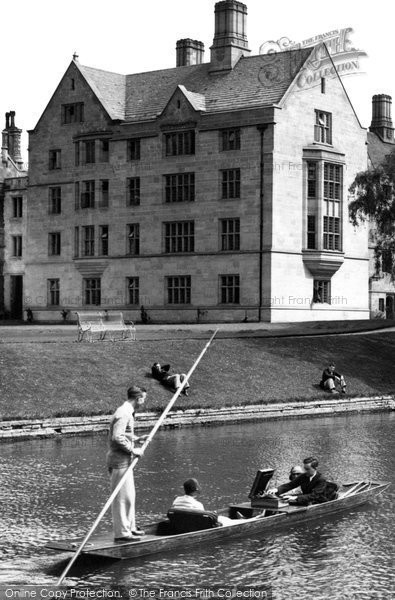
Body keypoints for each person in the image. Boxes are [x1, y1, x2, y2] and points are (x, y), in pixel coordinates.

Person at [106, 385, 148, 541]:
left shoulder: (127, 411)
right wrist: (133, 449)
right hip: (118, 462)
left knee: (129, 497)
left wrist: (137, 439)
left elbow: (124, 433)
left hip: (125, 462)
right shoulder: (124, 413)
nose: (144, 401)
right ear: (138, 398)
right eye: (144, 398)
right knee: (122, 499)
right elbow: (117, 437)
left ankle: (130, 527)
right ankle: (123, 534)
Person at [171, 478, 241, 526]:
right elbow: (205, 519)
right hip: (195, 525)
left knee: (221, 517)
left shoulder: (177, 500)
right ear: (197, 489)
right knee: (225, 520)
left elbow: (206, 514)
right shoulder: (197, 504)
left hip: (182, 525)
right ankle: (241, 521)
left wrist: (224, 510)